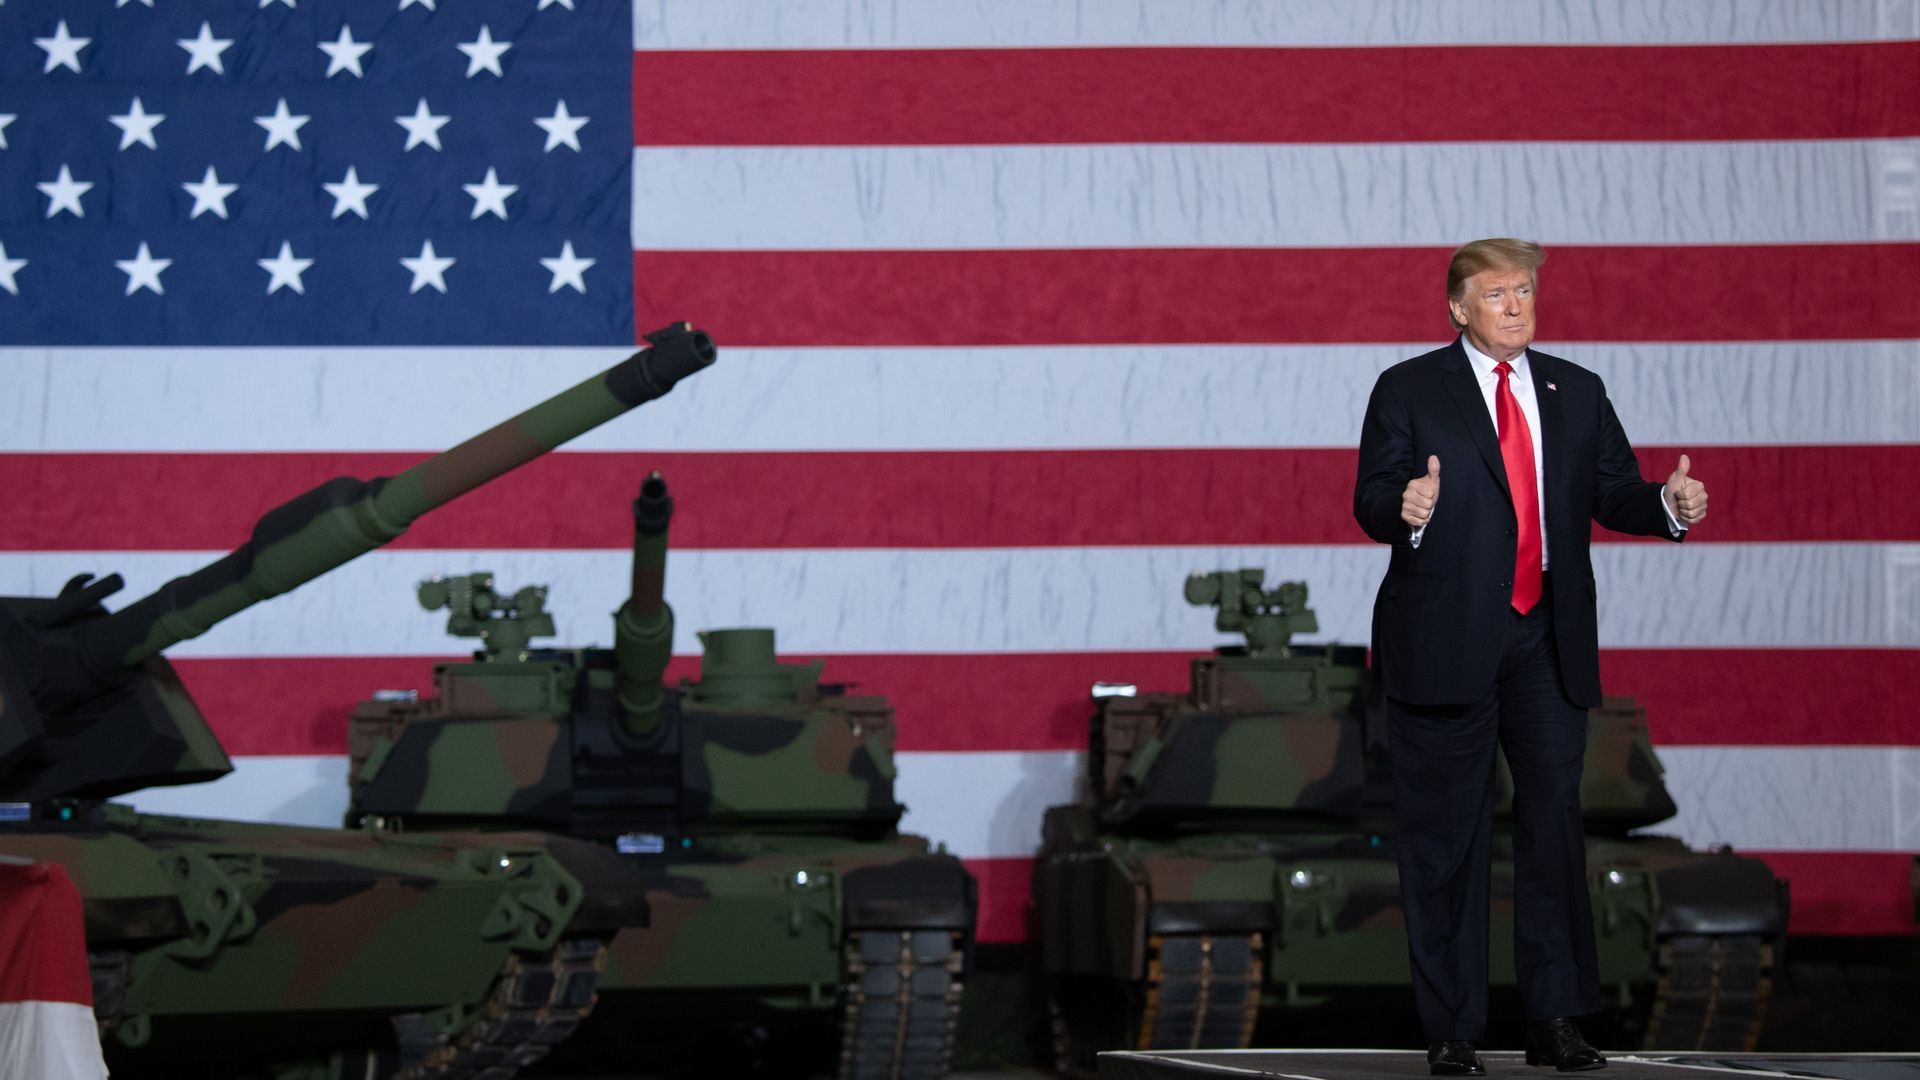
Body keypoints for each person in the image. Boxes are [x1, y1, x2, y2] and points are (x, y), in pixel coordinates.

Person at [1352, 238, 1708, 1076]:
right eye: (1497, 292)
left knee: (1552, 830)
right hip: (1444, 642)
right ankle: (1452, 1028)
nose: (1516, 305)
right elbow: (1371, 496)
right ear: (1457, 308)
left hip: (1545, 637)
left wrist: (1666, 503)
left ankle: (1555, 1019)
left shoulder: (1575, 390)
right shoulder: (1407, 388)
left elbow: (1613, 491)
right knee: (1447, 842)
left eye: (1524, 290)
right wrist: (1405, 504)